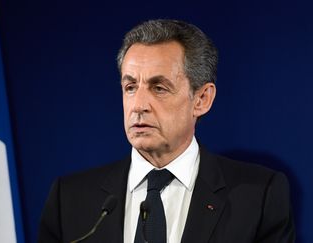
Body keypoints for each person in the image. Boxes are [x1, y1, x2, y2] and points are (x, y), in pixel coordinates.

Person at [37, 19, 295, 243]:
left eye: (159, 88)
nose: (138, 105)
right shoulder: (70, 198)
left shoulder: (258, 196)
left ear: (202, 99)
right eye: (130, 87)